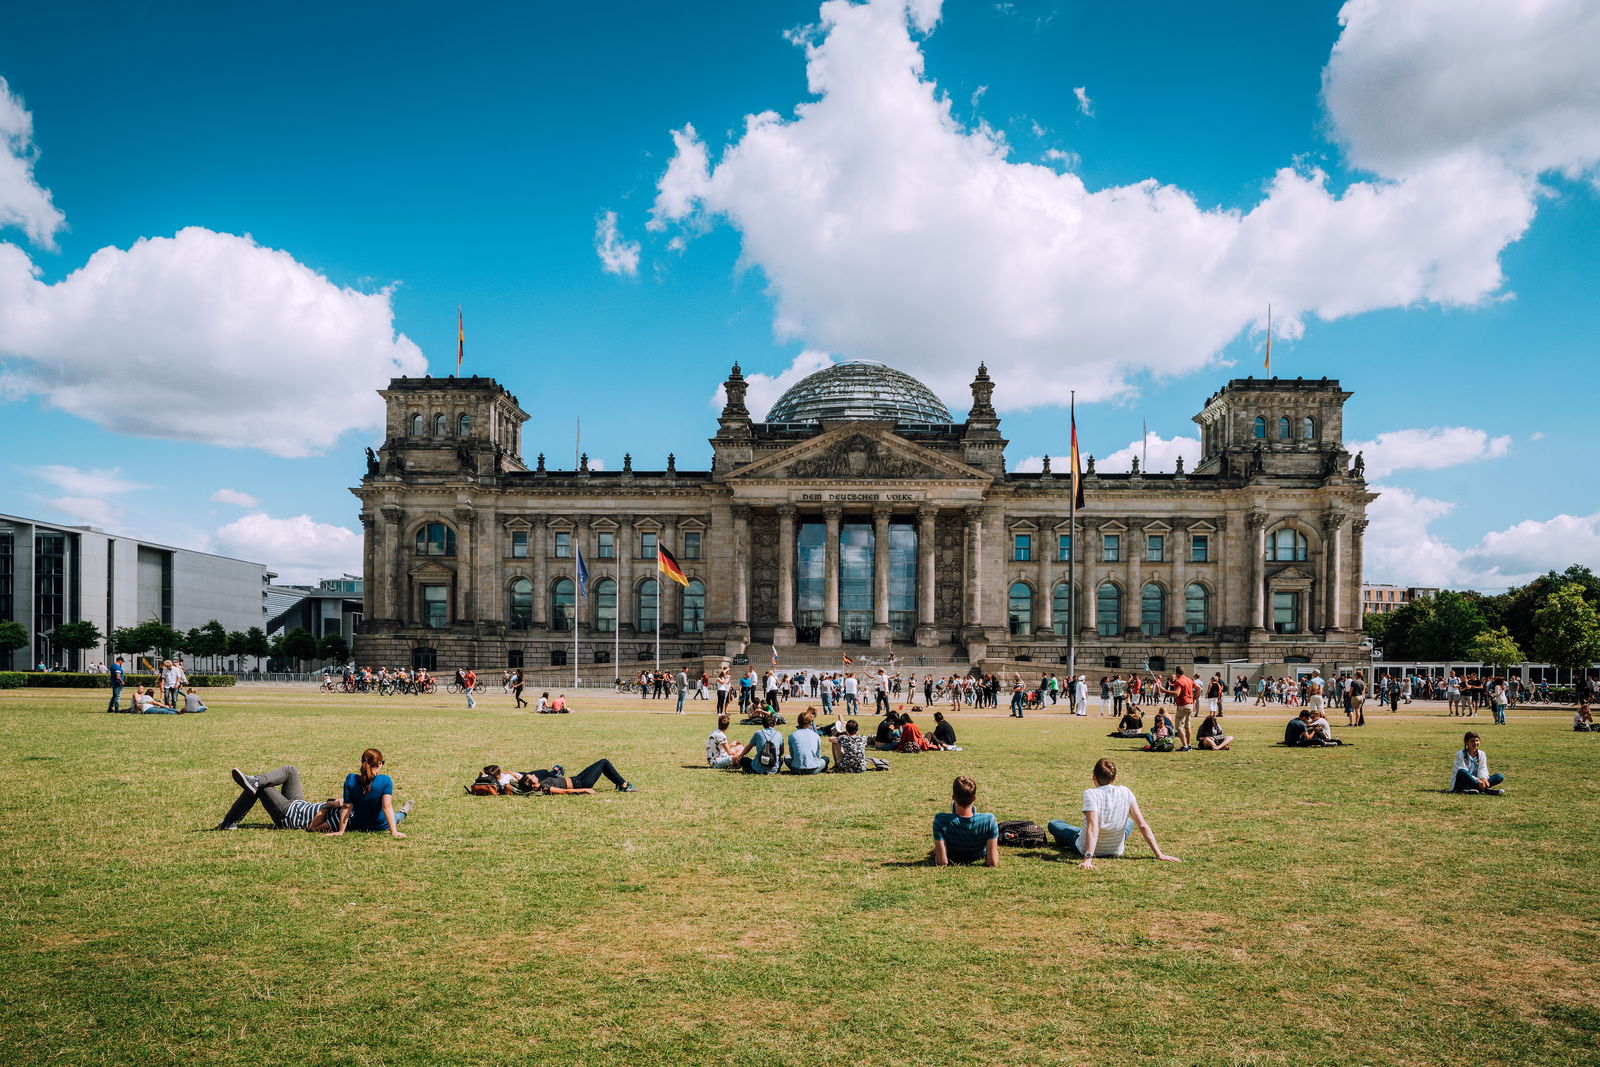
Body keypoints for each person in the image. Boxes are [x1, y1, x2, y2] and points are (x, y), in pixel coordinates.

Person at [1047, 758, 1181, 870]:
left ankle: (1064, 841)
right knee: (1129, 821)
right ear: (1114, 777)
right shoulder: (1126, 791)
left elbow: (1093, 827)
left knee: (1055, 824)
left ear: (1094, 776)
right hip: (1116, 849)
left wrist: (1088, 858)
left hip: (1085, 847)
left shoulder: (1091, 793)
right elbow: (1142, 825)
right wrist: (1159, 854)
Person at [214, 766, 355, 832]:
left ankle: (229, 822)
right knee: (290, 771)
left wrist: (327, 806)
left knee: (261, 788)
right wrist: (335, 802)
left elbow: (314, 827)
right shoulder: (352, 804)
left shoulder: (347, 818)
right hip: (299, 804)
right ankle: (256, 781)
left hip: (289, 815)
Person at [930, 775, 999, 867]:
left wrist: (936, 853)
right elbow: (992, 862)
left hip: (953, 854)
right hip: (978, 854)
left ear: (953, 797)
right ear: (974, 798)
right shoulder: (989, 820)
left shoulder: (941, 820)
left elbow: (942, 862)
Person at [343, 749, 409, 837]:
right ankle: (404, 810)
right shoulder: (385, 780)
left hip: (358, 826)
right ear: (379, 763)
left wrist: (341, 831)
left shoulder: (351, 779)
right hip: (381, 826)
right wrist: (394, 832)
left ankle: (404, 809)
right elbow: (387, 807)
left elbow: (347, 807)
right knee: (396, 816)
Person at [525, 759, 637, 793]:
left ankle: (620, 784)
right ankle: (624, 785)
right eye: (531, 776)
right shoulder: (545, 786)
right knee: (604, 763)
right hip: (581, 783)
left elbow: (520, 779)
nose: (534, 775)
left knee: (602, 765)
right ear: (531, 782)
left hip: (577, 778)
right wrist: (586, 790)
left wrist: (510, 774)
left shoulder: (541, 783)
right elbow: (565, 791)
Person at [1160, 667, 1198, 751]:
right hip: (1190, 705)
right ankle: (1189, 745)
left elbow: (1177, 693)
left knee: (1178, 727)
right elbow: (1199, 689)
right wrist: (1195, 697)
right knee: (1187, 726)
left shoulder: (1179, 681)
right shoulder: (1189, 680)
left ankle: (1185, 746)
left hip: (1183, 705)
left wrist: (1164, 691)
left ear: (1176, 673)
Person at [785, 709, 830, 773]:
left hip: (797, 768)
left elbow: (792, 755)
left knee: (786, 757)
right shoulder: (816, 736)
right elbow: (818, 756)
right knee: (826, 759)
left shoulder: (792, 736)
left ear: (798, 722)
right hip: (813, 769)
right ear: (810, 722)